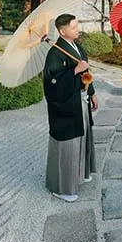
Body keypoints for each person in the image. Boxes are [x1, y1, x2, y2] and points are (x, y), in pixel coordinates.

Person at [43, 13, 99, 202]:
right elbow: (52, 84)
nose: (78, 29)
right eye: (74, 27)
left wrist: (91, 92)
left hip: (80, 100)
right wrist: (74, 70)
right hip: (65, 107)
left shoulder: (76, 46)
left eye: (77, 25)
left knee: (83, 138)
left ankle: (81, 174)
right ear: (62, 31)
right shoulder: (55, 53)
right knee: (68, 144)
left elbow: (86, 73)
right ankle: (64, 188)